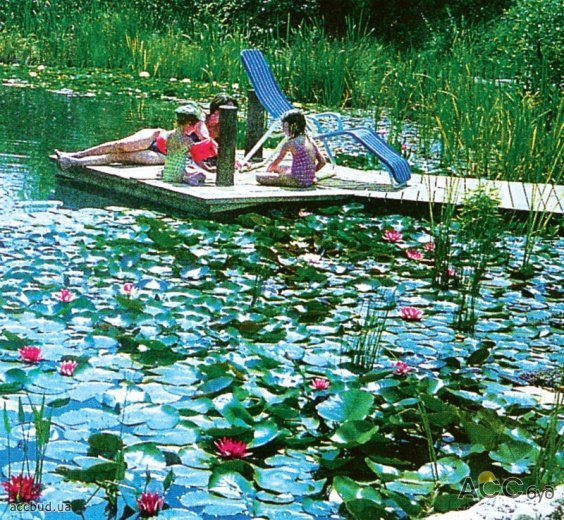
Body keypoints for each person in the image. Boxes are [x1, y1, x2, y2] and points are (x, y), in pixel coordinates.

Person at [55, 94, 238, 170]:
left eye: (228, 113)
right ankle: (77, 154)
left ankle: (72, 162)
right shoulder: (200, 119)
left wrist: (235, 160)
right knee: (120, 145)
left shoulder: (225, 133)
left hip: (165, 155)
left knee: (118, 157)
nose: (221, 116)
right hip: (156, 137)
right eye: (220, 111)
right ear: (214, 110)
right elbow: (205, 139)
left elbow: (219, 152)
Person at [256, 109, 326, 188]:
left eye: (285, 127)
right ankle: (304, 177)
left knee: (259, 177)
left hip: (296, 181)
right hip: (308, 180)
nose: (283, 129)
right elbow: (322, 162)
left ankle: (288, 176)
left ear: (294, 126)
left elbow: (275, 163)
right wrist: (310, 174)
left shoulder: (290, 143)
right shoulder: (310, 140)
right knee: (281, 167)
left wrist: (268, 172)